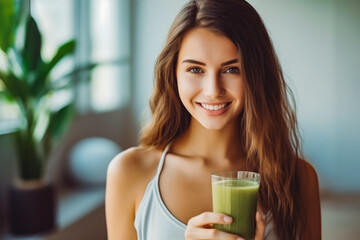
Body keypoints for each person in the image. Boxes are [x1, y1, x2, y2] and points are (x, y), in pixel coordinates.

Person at [105, 0, 321, 239]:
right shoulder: (129, 172)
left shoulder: (299, 179)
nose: (213, 90)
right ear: (172, 74)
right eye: (196, 69)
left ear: (256, 76)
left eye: (231, 69)